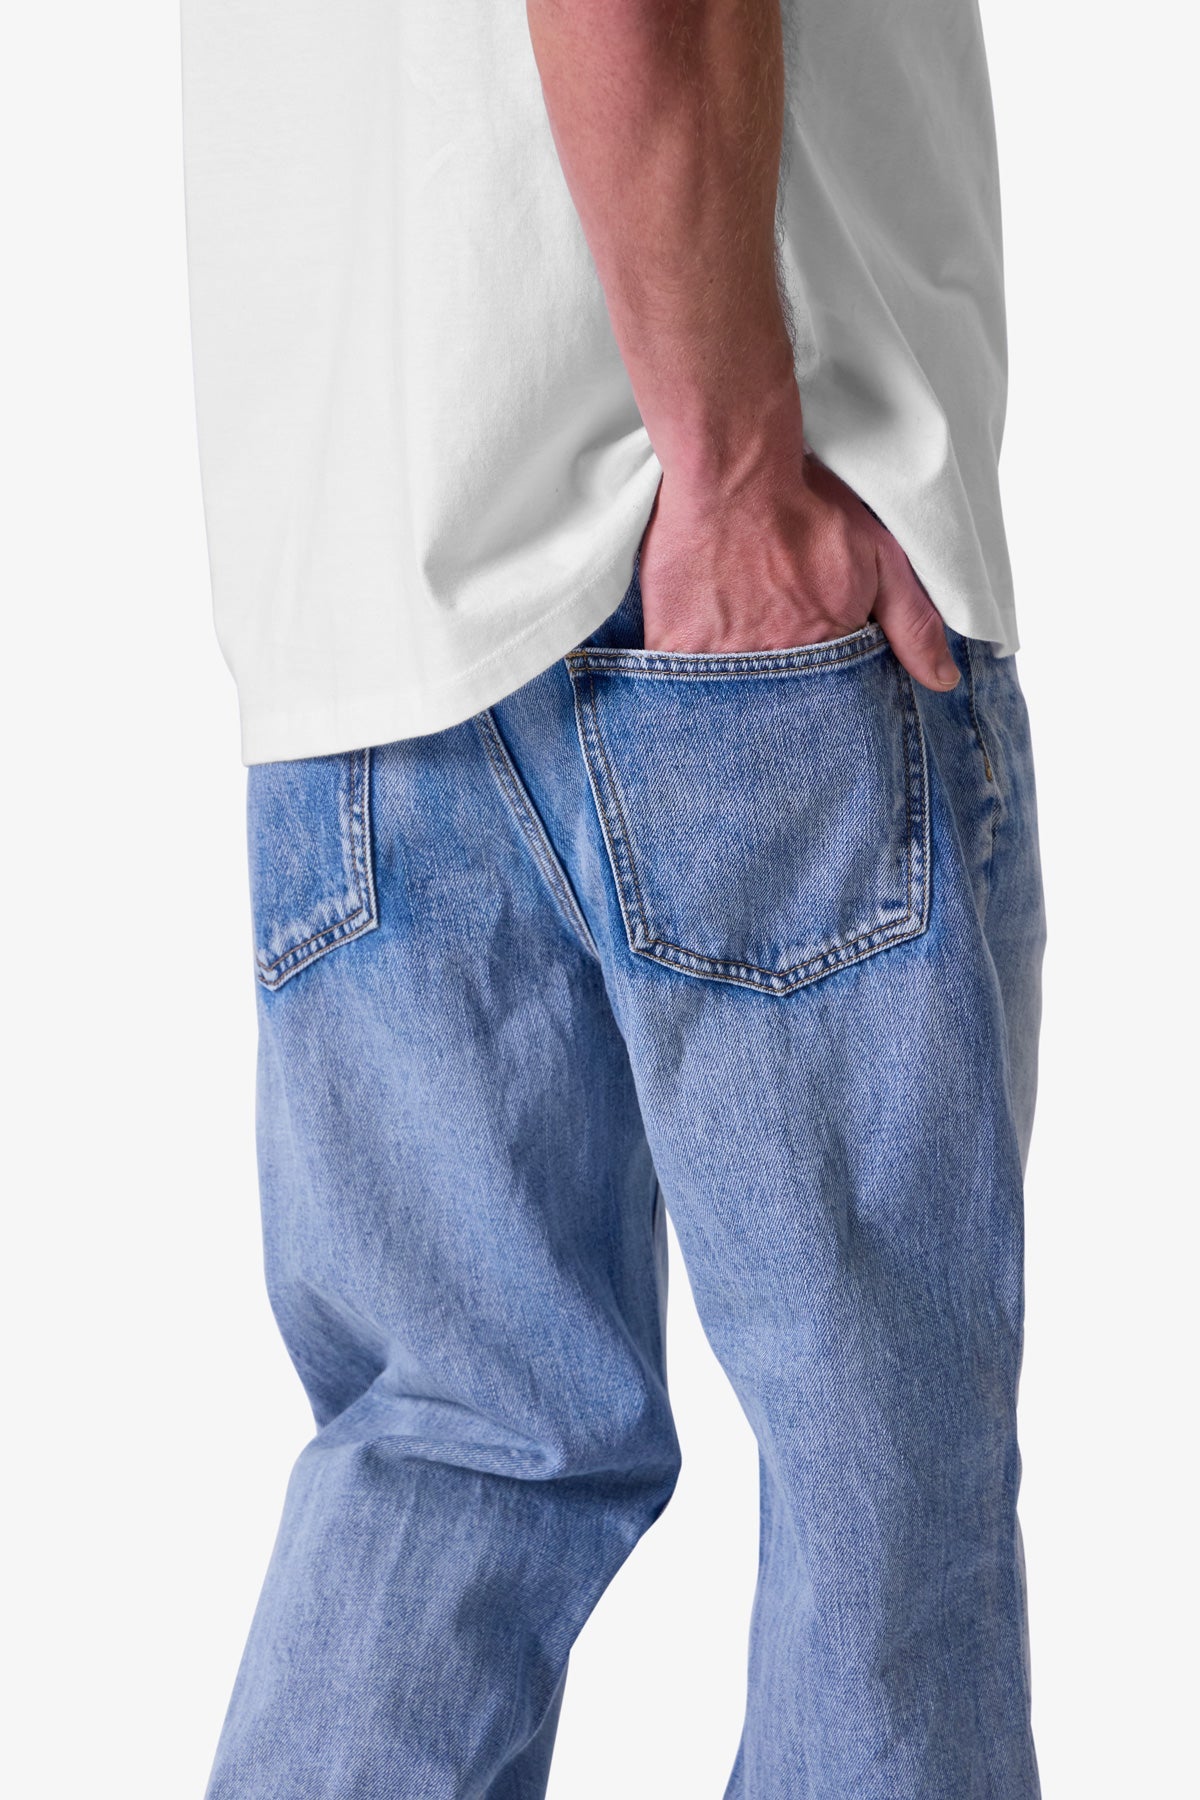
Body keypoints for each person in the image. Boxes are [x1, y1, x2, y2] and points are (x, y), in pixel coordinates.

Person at [182, 0, 1045, 1793]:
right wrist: (732, 468)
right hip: (713, 575)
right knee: (877, 1492)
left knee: (456, 1450)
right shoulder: (725, 500)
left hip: (363, 635)